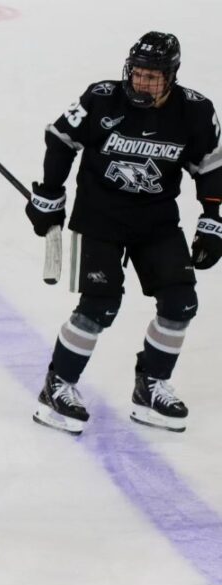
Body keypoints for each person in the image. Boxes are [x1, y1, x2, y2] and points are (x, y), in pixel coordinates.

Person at [26, 31, 222, 435]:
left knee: (181, 302)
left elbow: (212, 167)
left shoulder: (196, 111)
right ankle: (57, 386)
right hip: (98, 219)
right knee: (99, 305)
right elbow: (61, 140)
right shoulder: (101, 98)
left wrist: (213, 219)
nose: (142, 83)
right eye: (138, 74)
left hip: (157, 220)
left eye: (153, 77)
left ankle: (150, 386)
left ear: (171, 76)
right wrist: (49, 194)